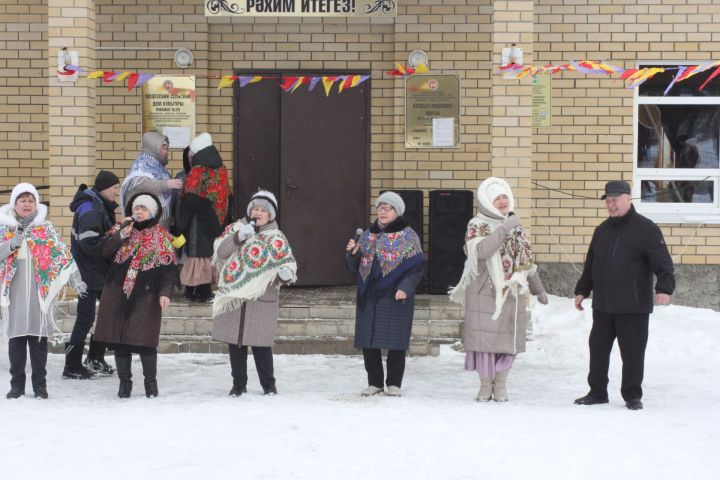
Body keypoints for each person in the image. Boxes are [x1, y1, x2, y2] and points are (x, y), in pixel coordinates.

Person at [574, 180, 675, 411]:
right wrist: (582, 290)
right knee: (597, 349)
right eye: (608, 201)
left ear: (628, 198)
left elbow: (663, 263)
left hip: (633, 304)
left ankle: (632, 395)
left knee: (632, 352)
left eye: (615, 200)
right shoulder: (601, 230)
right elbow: (591, 265)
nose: (611, 205)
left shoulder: (646, 229)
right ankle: (597, 391)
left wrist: (664, 288)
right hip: (603, 305)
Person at [449, 177, 548, 402]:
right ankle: (485, 386)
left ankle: (501, 384)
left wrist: (538, 288)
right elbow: (481, 251)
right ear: (486, 201)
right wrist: (504, 228)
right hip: (484, 291)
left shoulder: (516, 226)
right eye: (497, 198)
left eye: (504, 197)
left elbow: (525, 261)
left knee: (507, 341)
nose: (502, 202)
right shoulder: (477, 224)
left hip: (511, 293)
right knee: (485, 343)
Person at [0, 183, 86, 399]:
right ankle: (17, 385)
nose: (27, 205)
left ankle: (40, 385)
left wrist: (76, 281)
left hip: (40, 295)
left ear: (36, 204)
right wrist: (11, 244)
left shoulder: (45, 229)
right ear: (14, 204)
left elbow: (62, 257)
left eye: (31, 200)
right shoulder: (4, 228)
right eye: (22, 200)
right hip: (15, 296)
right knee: (17, 341)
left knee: (38, 341)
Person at [93, 193, 179, 398]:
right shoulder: (120, 230)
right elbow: (103, 251)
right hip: (117, 293)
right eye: (137, 208)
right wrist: (122, 234)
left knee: (146, 342)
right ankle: (125, 384)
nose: (139, 212)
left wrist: (165, 293)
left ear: (153, 213)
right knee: (120, 340)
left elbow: (169, 268)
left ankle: (151, 383)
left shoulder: (162, 236)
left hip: (146, 296)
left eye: (144, 209)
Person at [212, 190, 297, 396]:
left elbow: (287, 266)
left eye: (263, 210)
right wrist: (237, 238)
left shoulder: (276, 237)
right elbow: (221, 252)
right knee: (235, 343)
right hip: (235, 296)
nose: (258, 213)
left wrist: (285, 275)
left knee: (261, 345)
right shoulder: (238, 229)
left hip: (261, 298)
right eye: (255, 209)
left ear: (270, 215)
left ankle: (268, 385)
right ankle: (238, 384)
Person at [345, 191, 424, 397]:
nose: (382, 211)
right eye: (380, 207)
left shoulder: (408, 236)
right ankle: (375, 382)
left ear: (397, 212)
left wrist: (405, 288)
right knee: (368, 341)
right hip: (369, 294)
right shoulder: (367, 235)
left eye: (387, 208)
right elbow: (354, 267)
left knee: (396, 341)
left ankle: (394, 384)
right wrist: (351, 254)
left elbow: (416, 268)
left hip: (395, 294)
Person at [64, 170, 121, 379]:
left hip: (96, 271)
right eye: (115, 188)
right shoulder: (90, 208)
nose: (117, 192)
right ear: (105, 188)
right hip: (88, 273)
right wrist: (114, 240)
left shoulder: (98, 205)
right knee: (86, 318)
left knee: (107, 313)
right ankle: (71, 365)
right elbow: (89, 243)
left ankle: (95, 358)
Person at [175, 133, 232, 302]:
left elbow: (190, 199)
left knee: (197, 253)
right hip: (217, 217)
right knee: (208, 254)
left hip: (198, 219)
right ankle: (200, 290)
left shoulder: (198, 171)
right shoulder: (221, 169)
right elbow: (228, 193)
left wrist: (180, 225)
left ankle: (198, 291)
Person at [120, 131, 182, 229]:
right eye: (163, 148)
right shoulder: (140, 166)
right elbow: (142, 184)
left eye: (167, 148)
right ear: (154, 147)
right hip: (144, 223)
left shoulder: (159, 167)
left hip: (159, 222)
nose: (166, 152)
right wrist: (166, 184)